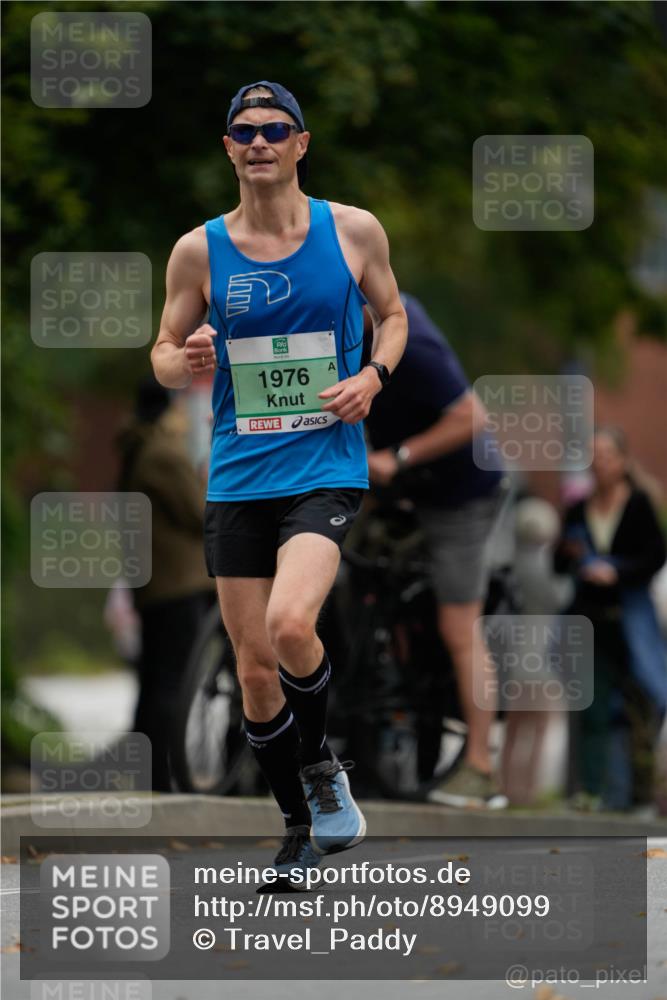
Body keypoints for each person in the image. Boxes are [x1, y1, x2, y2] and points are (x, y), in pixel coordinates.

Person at [151, 82, 407, 877]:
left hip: (325, 466)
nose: (259, 141)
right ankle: (299, 822)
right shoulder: (199, 249)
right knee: (254, 666)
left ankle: (324, 772)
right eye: (243, 131)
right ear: (228, 149)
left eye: (275, 129)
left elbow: (392, 316)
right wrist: (183, 359)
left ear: (301, 144)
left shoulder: (353, 231)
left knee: (294, 625)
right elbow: (161, 351)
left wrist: (372, 376)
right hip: (236, 477)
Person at [364, 293, 508, 808]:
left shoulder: (414, 344)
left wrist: (400, 456)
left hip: (459, 493)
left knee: (458, 625)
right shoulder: (330, 325)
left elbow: (473, 417)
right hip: (395, 483)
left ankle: (480, 770)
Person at [553, 426, 667, 812]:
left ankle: (639, 793)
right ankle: (592, 790)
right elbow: (557, 564)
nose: (599, 464)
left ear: (622, 461)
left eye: (606, 456)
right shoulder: (576, 509)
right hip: (588, 618)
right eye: (593, 457)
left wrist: (617, 572)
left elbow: (654, 557)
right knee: (592, 704)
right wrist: (569, 554)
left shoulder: (638, 505)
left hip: (631, 618)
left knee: (640, 703)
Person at [116, 377, 214, 791]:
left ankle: (149, 773)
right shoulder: (164, 454)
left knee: (155, 681)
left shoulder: (138, 449)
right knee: (173, 683)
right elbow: (199, 513)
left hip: (154, 588)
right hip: (178, 587)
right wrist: (209, 480)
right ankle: (163, 777)